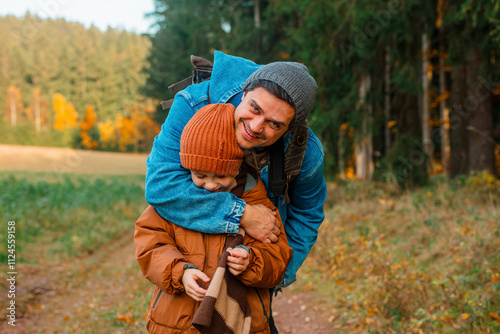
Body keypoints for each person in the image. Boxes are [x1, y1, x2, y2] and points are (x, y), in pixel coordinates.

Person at [145, 51, 327, 289]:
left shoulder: (306, 152)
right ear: (244, 92)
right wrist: (241, 214)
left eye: (274, 124)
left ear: (290, 128)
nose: (255, 126)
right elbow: (160, 185)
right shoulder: (192, 104)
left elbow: (308, 214)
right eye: (255, 108)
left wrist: (276, 274)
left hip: (252, 271)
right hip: (188, 265)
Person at [135, 103, 293, 334]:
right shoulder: (174, 202)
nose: (210, 185)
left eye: (221, 176)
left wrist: (252, 261)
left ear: (237, 168)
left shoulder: (258, 206)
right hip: (178, 324)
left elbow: (278, 258)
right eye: (200, 175)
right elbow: (150, 246)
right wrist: (181, 272)